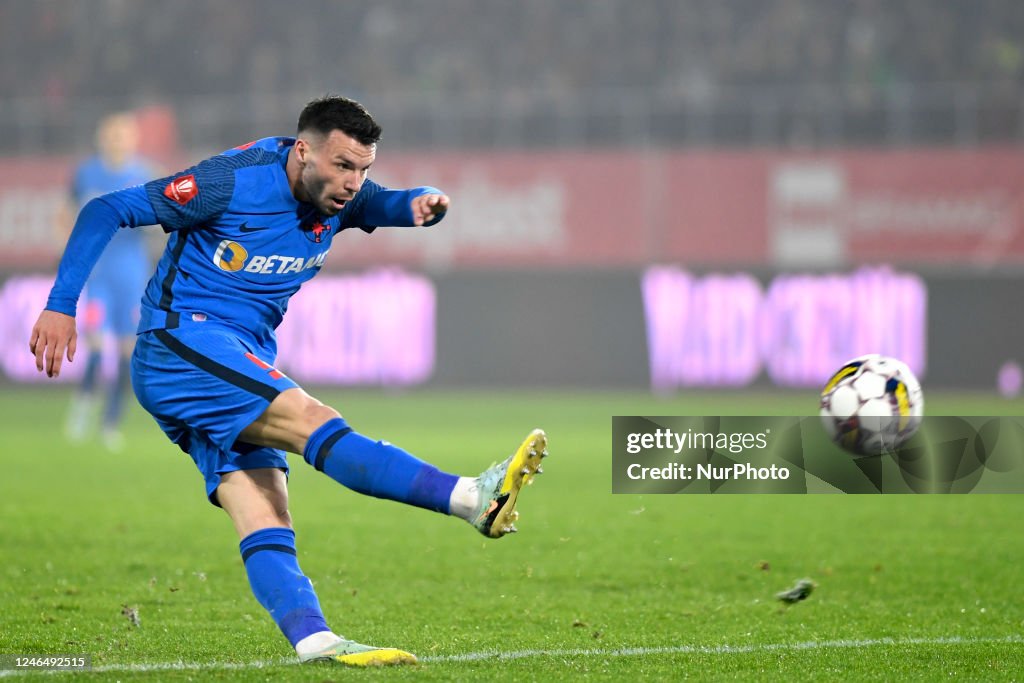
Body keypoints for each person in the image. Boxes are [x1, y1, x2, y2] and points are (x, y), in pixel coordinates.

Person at [30, 95, 548, 667]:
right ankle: (472, 498)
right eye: (344, 166)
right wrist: (61, 305)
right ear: (303, 151)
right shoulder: (229, 181)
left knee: (264, 504)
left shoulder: (342, 197)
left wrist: (425, 205)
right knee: (311, 421)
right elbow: (106, 209)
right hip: (182, 342)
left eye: (364, 169)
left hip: (228, 354)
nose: (354, 182)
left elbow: (392, 204)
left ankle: (314, 640)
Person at [61, 112, 155, 451]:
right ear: (102, 137)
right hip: (98, 271)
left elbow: (158, 221)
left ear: (133, 140)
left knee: (129, 352)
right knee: (98, 347)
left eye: (123, 134)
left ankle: (110, 424)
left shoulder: (143, 175)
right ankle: (83, 407)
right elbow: (67, 213)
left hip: (130, 274)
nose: (117, 140)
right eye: (112, 134)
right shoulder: (86, 173)